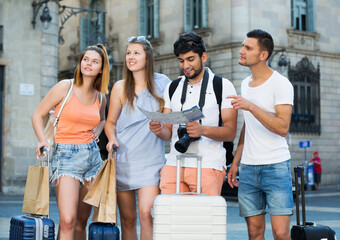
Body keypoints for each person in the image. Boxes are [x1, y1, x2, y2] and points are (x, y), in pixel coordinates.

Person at [32, 44, 109, 240]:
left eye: (95, 61)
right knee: (67, 220)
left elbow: (101, 120)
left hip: (92, 159)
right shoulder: (65, 87)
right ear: (80, 62)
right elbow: (37, 115)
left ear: (101, 68)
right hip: (65, 157)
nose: (88, 64)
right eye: (86, 59)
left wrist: (96, 133)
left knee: (81, 223)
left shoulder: (100, 96)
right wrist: (43, 141)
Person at [149, 31, 237, 196]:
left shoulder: (222, 85)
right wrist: (158, 129)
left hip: (208, 165)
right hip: (174, 164)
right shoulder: (173, 87)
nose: (185, 66)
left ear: (203, 57)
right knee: (172, 220)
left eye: (191, 59)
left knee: (203, 221)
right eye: (181, 61)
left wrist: (202, 130)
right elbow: (168, 132)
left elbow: (230, 132)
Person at [227, 29, 294, 240]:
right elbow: (248, 126)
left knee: (281, 233)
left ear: (263, 55)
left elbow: (282, 127)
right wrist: (235, 162)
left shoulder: (281, 84)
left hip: (276, 166)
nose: (241, 51)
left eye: (248, 48)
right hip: (248, 169)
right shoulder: (245, 84)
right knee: (254, 233)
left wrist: (251, 107)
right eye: (243, 46)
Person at [104, 36, 170, 240]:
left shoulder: (163, 84)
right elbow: (110, 123)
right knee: (128, 219)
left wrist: (159, 130)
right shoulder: (120, 87)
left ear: (147, 57)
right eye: (128, 53)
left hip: (151, 161)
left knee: (147, 214)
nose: (130, 57)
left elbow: (167, 131)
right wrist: (111, 139)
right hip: (124, 159)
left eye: (136, 53)